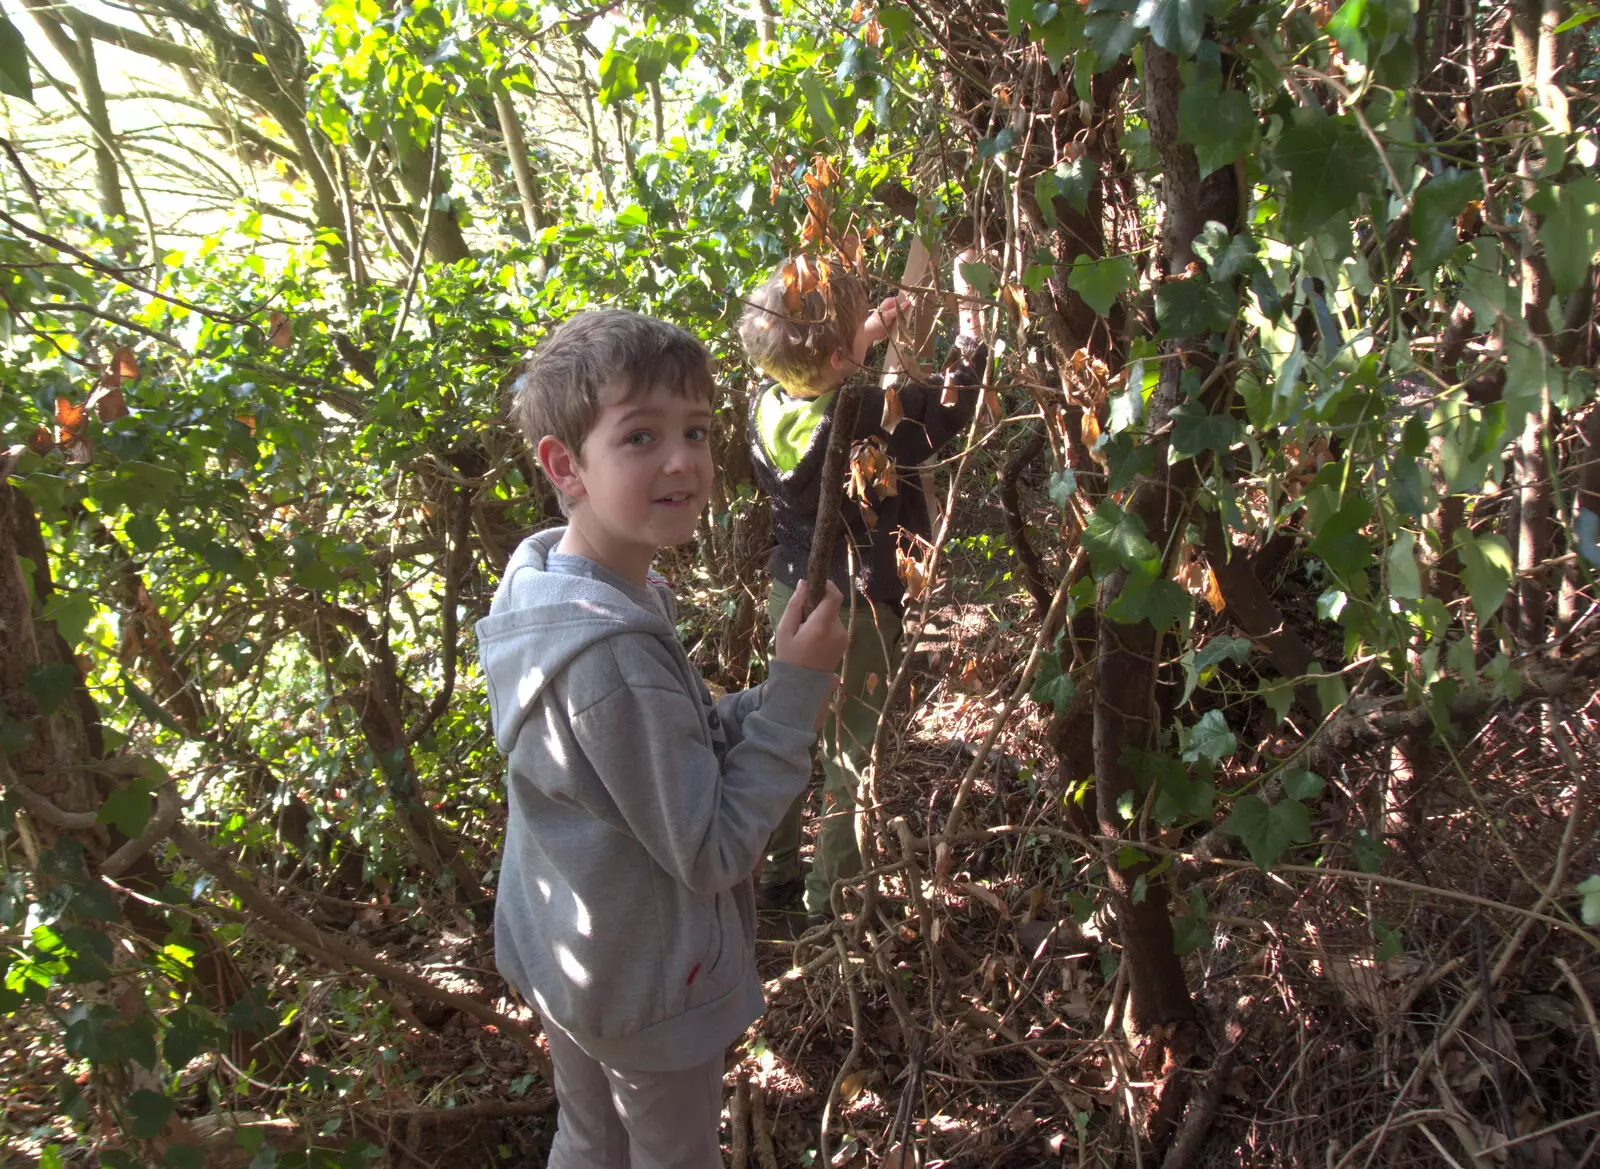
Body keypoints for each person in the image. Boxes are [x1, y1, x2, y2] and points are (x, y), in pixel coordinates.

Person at [478, 309, 849, 1169]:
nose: (682, 459)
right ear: (565, 465)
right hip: (645, 983)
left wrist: (764, 700)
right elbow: (714, 848)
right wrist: (797, 698)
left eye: (696, 431)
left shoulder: (549, 592)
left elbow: (642, 760)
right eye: (640, 435)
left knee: (590, 1137)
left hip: (565, 955)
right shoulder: (611, 658)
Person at [738, 258, 985, 922]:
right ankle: (829, 903)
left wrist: (863, 337)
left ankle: (778, 875)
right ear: (839, 355)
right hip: (860, 605)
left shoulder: (762, 403)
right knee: (852, 750)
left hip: (789, 594)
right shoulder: (866, 409)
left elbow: (817, 382)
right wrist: (972, 317)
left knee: (791, 728)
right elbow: (944, 414)